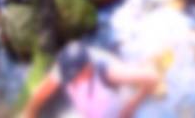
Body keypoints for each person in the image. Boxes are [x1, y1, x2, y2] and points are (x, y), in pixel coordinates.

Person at [22, 42, 159, 118]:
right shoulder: (65, 68)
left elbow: (151, 77)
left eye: (74, 78)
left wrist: (132, 105)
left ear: (87, 69)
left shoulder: (107, 72)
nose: (71, 82)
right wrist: (30, 113)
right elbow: (40, 94)